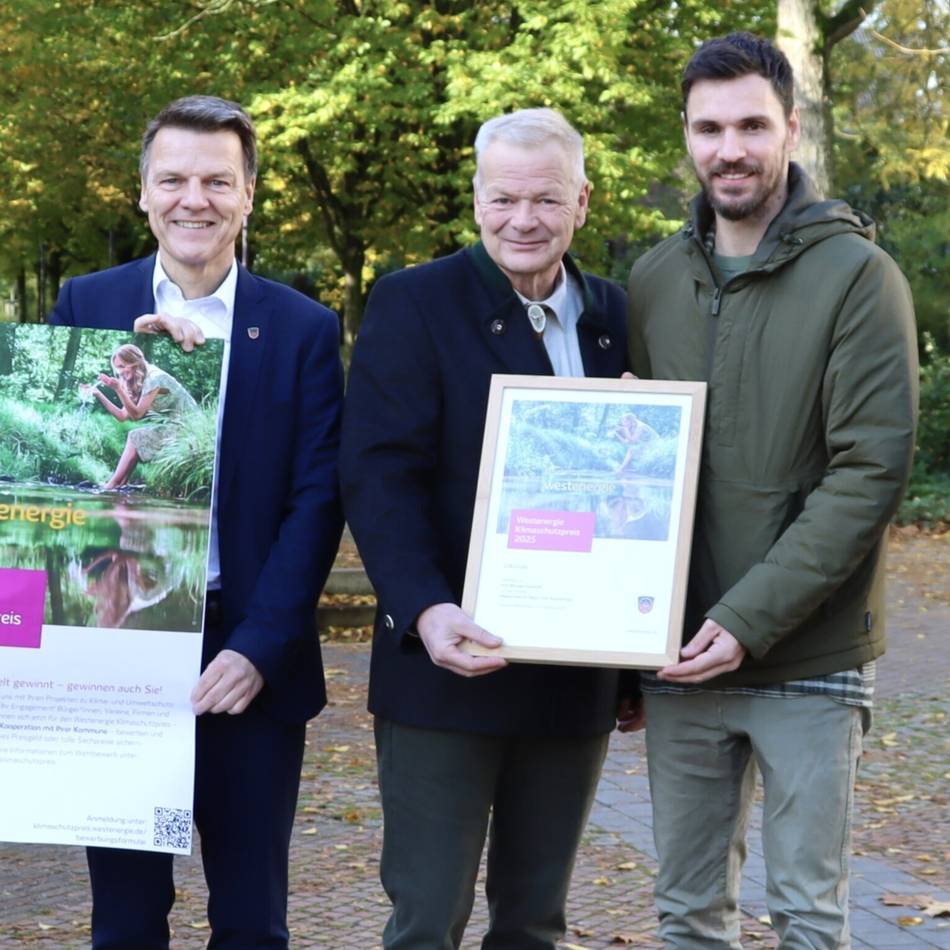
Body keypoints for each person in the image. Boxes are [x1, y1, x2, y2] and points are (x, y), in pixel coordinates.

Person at [625, 32, 918, 948]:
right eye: (709, 128)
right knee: (688, 916)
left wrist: (747, 619)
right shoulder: (652, 279)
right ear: (687, 136)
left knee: (806, 916)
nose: (730, 148)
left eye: (752, 124)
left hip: (809, 661)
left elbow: (868, 474)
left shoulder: (860, 279)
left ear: (790, 127)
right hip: (677, 660)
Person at [50, 95, 344, 949]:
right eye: (172, 178)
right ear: (142, 192)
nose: (194, 199)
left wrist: (259, 646)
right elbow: (64, 449)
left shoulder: (301, 328)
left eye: (218, 180)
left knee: (252, 922)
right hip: (119, 645)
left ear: (249, 195)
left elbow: (317, 498)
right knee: (128, 922)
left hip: (248, 650)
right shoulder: (85, 303)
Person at [340, 108, 633, 949]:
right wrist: (424, 608)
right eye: (503, 199)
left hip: (573, 676)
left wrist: (635, 664)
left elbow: (643, 492)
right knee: (429, 916)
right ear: (476, 199)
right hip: (447, 666)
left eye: (546, 199)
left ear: (582, 200)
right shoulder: (413, 301)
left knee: (536, 922)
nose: (524, 220)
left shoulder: (615, 313)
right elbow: (377, 473)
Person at [86, 342, 198, 489]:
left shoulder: (154, 378)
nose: (119, 372)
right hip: (176, 427)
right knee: (136, 437)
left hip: (190, 429)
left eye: (122, 366)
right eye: (117, 368)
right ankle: (120, 484)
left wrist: (119, 389)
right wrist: (98, 394)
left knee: (135, 437)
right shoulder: (137, 380)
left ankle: (112, 485)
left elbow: (137, 414)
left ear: (134, 362)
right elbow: (122, 416)